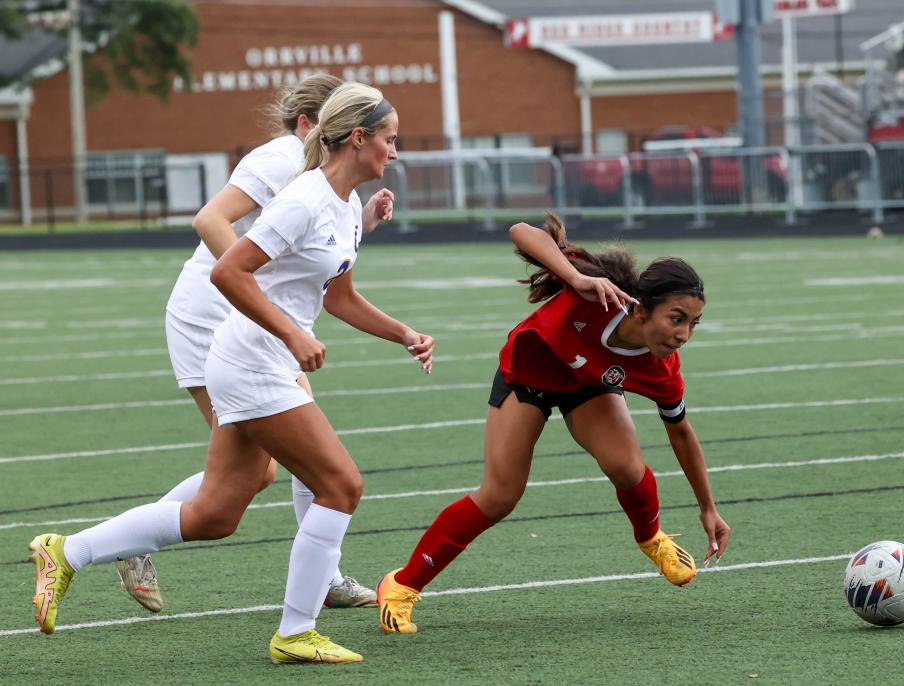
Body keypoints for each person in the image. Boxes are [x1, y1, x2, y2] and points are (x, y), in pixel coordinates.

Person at [30, 83, 434, 665]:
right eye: (390, 140)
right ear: (357, 137)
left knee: (215, 513)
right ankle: (296, 632)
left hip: (254, 359)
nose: (396, 152)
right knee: (340, 484)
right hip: (252, 361)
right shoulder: (304, 197)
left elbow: (340, 296)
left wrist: (403, 333)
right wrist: (292, 334)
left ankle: (66, 552)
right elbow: (229, 273)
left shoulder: (345, 206)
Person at [114, 73, 393, 613]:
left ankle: (324, 578)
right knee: (260, 470)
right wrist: (253, 285)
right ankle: (129, 543)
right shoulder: (282, 157)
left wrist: (360, 222)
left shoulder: (324, 175)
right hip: (213, 316)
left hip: (253, 318)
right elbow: (210, 220)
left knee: (294, 455)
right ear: (315, 124)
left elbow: (309, 246)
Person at [376, 214, 731, 635]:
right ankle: (401, 585)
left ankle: (652, 538)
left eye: (693, 323)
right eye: (676, 318)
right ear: (640, 308)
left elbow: (681, 432)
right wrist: (573, 277)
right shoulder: (596, 294)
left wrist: (707, 507)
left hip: (586, 386)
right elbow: (520, 233)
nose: (684, 334)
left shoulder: (663, 367)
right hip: (528, 377)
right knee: (499, 496)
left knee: (627, 467)